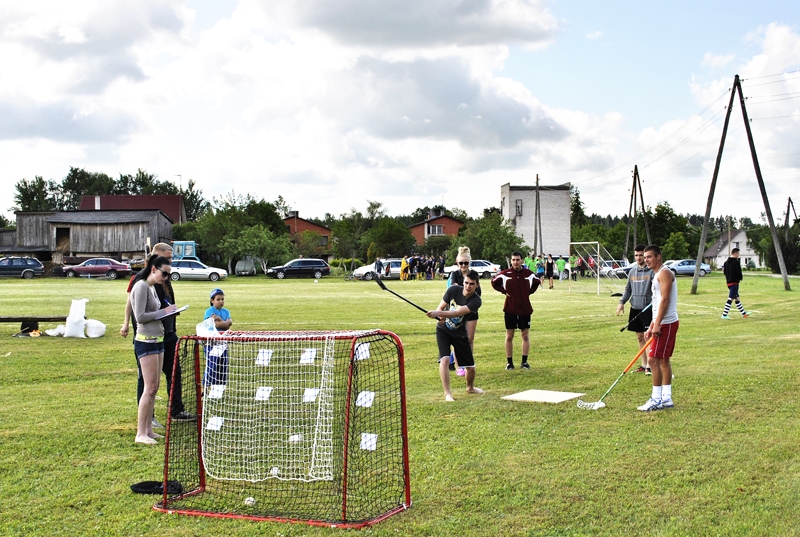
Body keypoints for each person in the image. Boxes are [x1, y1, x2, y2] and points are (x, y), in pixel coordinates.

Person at [121, 243, 194, 427]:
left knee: (173, 371)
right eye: (167, 258)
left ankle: (176, 410)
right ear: (156, 258)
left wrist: (170, 311)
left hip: (167, 333)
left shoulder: (161, 279)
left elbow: (162, 304)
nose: (170, 262)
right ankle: (147, 419)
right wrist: (125, 324)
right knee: (146, 380)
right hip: (147, 337)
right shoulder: (141, 281)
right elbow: (135, 307)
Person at [129, 255, 176, 444]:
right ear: (153, 269)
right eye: (164, 273)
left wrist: (170, 310)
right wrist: (163, 313)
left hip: (158, 339)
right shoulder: (140, 286)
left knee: (155, 387)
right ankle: (140, 433)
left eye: (169, 275)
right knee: (148, 388)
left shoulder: (152, 288)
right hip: (146, 341)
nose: (166, 277)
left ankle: (148, 430)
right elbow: (139, 316)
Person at [426, 269, 484, 401]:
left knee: (471, 368)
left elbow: (458, 313)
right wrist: (439, 313)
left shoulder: (476, 301)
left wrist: (439, 314)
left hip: (460, 334)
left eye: (472, 284)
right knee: (445, 360)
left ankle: (470, 387)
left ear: (477, 285)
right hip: (443, 330)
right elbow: (441, 306)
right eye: (466, 283)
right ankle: (447, 393)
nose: (468, 286)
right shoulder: (453, 290)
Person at [639, 245, 679, 411]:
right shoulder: (657, 275)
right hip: (661, 322)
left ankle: (656, 399)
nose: (646, 259)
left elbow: (665, 301)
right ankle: (666, 398)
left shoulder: (664, 273)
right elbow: (656, 303)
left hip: (667, 323)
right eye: (645, 256)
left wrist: (658, 324)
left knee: (653, 359)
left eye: (649, 256)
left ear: (658, 257)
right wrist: (653, 324)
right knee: (662, 360)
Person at [491, 251, 541, 370]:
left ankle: (524, 362)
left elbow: (537, 281)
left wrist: (528, 292)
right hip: (510, 308)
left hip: (525, 309)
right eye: (513, 260)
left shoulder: (528, 273)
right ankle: (509, 363)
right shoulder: (506, 274)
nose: (515, 262)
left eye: (517, 260)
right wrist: (504, 291)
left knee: (525, 335)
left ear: (522, 260)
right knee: (509, 336)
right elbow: (493, 282)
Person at [616, 245, 654, 374]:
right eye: (636, 255)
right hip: (635, 308)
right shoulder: (632, 272)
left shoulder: (651, 272)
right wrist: (622, 302)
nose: (638, 258)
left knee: (648, 336)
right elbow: (628, 289)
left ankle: (650, 366)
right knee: (639, 337)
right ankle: (643, 365)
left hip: (647, 309)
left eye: (641, 255)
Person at [447, 246, 481, 376]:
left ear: (469, 263)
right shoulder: (454, 275)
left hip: (471, 312)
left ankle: (468, 364)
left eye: (465, 263)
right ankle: (458, 366)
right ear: (457, 262)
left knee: (469, 339)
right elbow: (454, 291)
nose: (463, 265)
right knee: (458, 339)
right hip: (457, 313)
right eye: (460, 263)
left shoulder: (473, 275)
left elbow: (478, 292)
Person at [203, 288, 233, 385]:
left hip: (223, 343)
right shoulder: (209, 311)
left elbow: (227, 326)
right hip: (211, 343)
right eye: (218, 299)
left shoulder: (226, 311)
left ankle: (220, 387)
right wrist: (226, 322)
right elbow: (218, 325)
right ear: (212, 300)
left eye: (222, 299)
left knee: (223, 365)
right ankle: (206, 386)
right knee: (212, 365)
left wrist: (220, 319)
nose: (221, 301)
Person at [721, 248, 749, 320]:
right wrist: (740, 278)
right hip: (734, 282)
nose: (738, 255)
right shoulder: (736, 262)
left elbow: (724, 272)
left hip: (729, 282)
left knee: (737, 298)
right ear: (735, 253)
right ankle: (724, 314)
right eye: (738, 254)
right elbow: (738, 272)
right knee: (731, 298)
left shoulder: (726, 263)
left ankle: (744, 314)